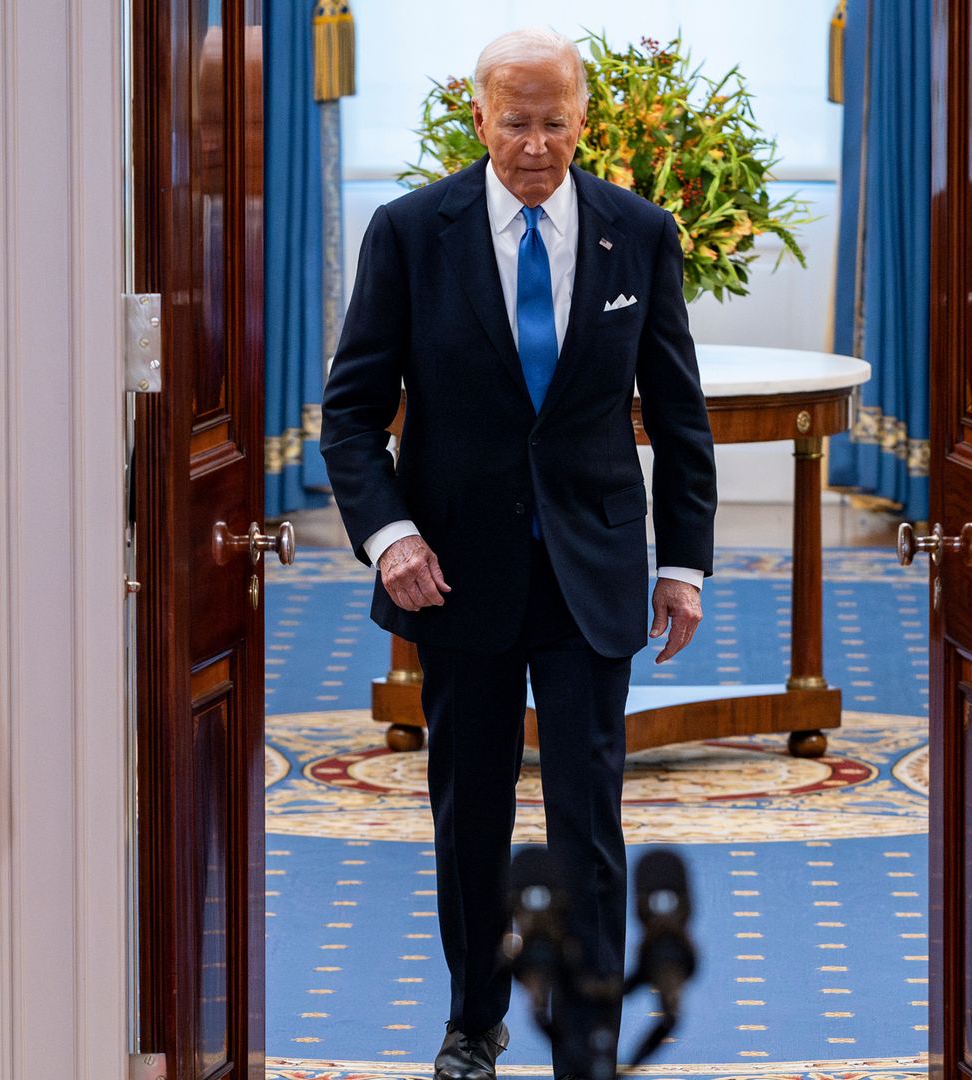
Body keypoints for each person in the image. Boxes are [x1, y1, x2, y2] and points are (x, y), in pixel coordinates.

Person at [320, 26, 716, 1080]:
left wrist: (684, 563)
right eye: (515, 121)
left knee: (589, 816)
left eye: (554, 122)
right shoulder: (410, 232)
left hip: (591, 573)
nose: (535, 144)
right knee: (471, 812)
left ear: (584, 118)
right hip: (455, 573)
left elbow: (679, 417)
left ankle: (587, 1035)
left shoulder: (639, 232)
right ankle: (472, 1022)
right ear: (479, 116)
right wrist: (390, 536)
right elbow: (350, 415)